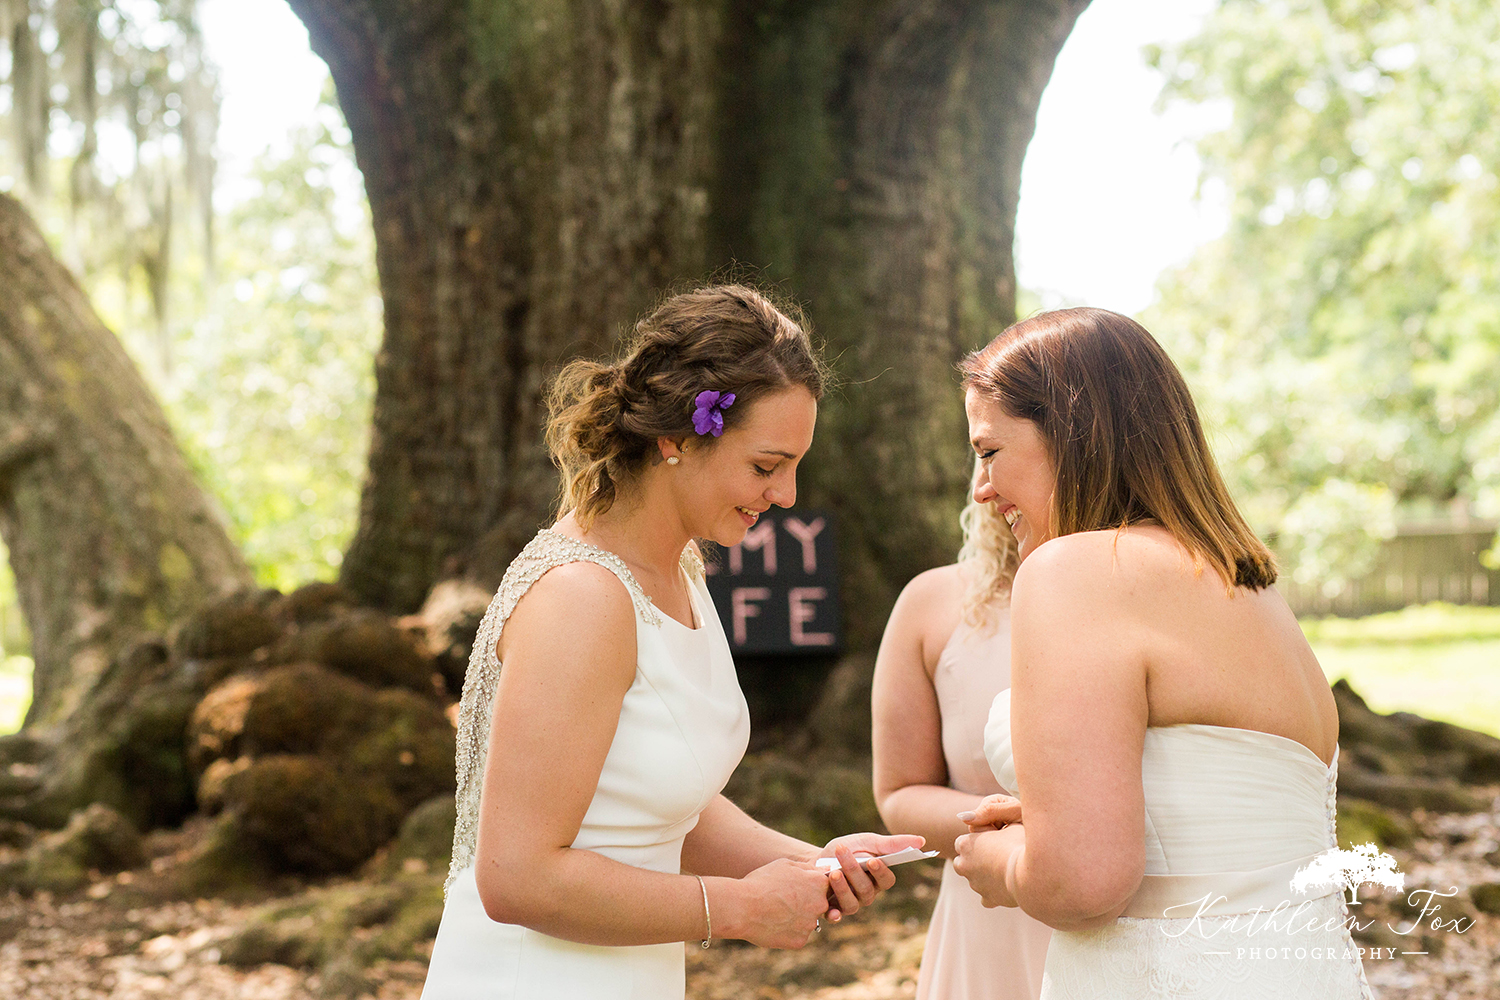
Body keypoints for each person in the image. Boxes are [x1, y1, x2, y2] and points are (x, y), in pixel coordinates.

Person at [420, 285, 921, 1000]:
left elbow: (656, 803)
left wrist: (811, 866)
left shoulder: (681, 568)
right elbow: (515, 877)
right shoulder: (582, 599)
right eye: (766, 465)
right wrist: (740, 908)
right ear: (678, 440)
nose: (785, 495)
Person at [951, 307, 1372, 999]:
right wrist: (1053, 818)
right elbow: (1218, 818)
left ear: (1071, 433)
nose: (982, 488)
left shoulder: (1073, 572)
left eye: (989, 451)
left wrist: (1002, 862)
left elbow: (1084, 885)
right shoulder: (1250, 587)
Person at [871, 474, 1052, 1000]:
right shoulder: (932, 602)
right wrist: (1012, 838)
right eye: (982, 454)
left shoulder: (1160, 588)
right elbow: (900, 791)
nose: (986, 482)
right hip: (989, 922)